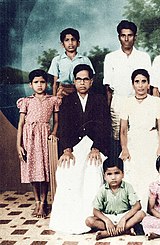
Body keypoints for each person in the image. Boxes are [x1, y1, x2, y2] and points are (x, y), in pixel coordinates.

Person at [49, 64, 112, 234]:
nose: (82, 83)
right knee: (66, 170)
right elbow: (64, 128)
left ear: (91, 82)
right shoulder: (67, 101)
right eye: (78, 79)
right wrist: (67, 149)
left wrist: (96, 147)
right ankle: (70, 217)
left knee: (92, 170)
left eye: (85, 79)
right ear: (74, 81)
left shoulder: (99, 99)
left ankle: (91, 216)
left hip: (94, 146)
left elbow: (104, 127)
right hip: (74, 147)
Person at [16, 69, 61, 218]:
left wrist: (53, 133)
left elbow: (56, 121)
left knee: (44, 171)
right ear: (30, 85)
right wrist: (19, 144)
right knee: (33, 171)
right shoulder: (26, 101)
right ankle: (37, 202)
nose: (39, 85)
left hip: (44, 137)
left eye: (42, 82)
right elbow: (21, 123)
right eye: (36, 82)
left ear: (46, 84)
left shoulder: (52, 100)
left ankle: (43, 203)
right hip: (29, 138)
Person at [103, 20, 151, 155]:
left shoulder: (143, 57)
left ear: (135, 37)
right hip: (118, 102)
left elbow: (149, 85)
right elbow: (108, 88)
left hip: (139, 102)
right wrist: (108, 109)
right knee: (118, 139)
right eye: (123, 35)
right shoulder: (111, 58)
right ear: (119, 37)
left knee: (139, 135)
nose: (126, 39)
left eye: (130, 35)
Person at [119, 69, 160, 210]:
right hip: (133, 140)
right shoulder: (127, 102)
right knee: (133, 175)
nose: (140, 85)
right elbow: (123, 130)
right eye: (137, 82)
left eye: (143, 81)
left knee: (151, 174)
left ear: (149, 84)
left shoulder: (156, 101)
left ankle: (151, 210)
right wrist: (125, 148)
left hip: (151, 139)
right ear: (133, 84)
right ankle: (134, 211)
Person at [85, 157, 145, 240]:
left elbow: (137, 206)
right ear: (104, 176)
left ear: (123, 174)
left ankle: (108, 233)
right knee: (89, 221)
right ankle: (125, 230)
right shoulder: (102, 189)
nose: (113, 177)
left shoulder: (127, 187)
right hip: (109, 218)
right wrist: (107, 221)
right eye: (109, 174)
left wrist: (124, 219)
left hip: (124, 216)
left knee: (141, 214)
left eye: (117, 173)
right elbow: (95, 210)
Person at [48, 28, 94, 97]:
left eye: (73, 39)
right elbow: (55, 83)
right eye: (67, 40)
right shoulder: (57, 60)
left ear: (78, 43)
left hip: (80, 91)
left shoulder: (85, 60)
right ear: (62, 44)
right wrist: (54, 99)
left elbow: (90, 81)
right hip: (62, 91)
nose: (70, 43)